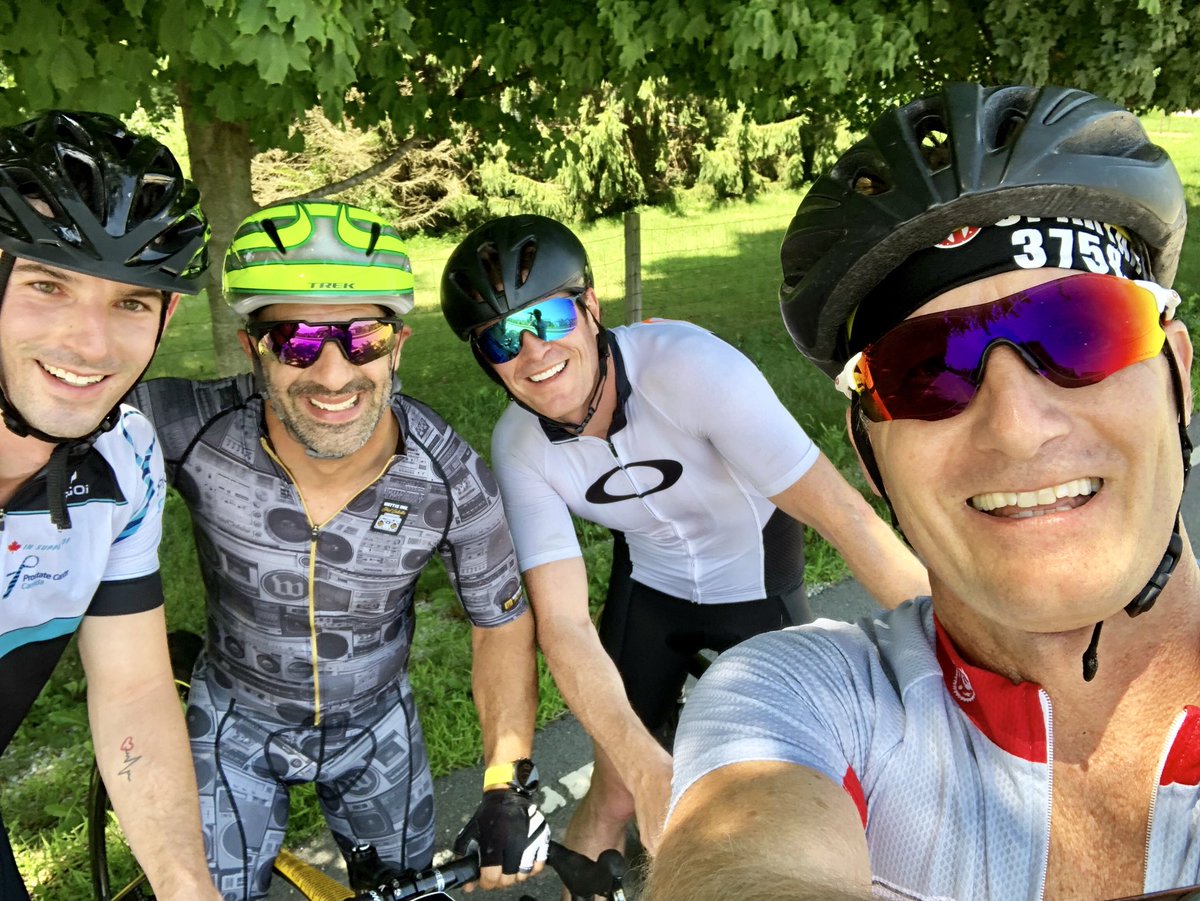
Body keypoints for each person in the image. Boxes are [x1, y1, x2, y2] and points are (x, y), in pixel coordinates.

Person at [650, 82, 1200, 901]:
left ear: (1178, 379)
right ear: (872, 460)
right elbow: (742, 867)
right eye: (924, 368)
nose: (1017, 425)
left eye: (1080, 328)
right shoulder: (795, 698)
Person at [439, 215, 930, 868]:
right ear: (486, 358)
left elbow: (845, 520)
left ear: (590, 307)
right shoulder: (519, 445)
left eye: (550, 318)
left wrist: (962, 651)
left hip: (754, 580)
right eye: (503, 338)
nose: (533, 352)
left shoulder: (690, 367)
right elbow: (562, 623)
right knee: (614, 789)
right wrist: (643, 771)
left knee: (791, 790)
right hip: (652, 586)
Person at [127, 200, 547, 901]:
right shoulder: (189, 426)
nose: (330, 374)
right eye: (293, 340)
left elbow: (498, 621)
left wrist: (508, 779)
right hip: (234, 714)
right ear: (251, 348)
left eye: (363, 338)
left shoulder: (449, 476)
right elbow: (54, 406)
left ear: (398, 345)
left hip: (376, 723)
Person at [0, 111, 219, 900]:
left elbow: (131, 689)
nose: (91, 344)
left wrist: (188, 885)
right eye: (48, 283)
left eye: (132, 301)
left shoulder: (126, 458)